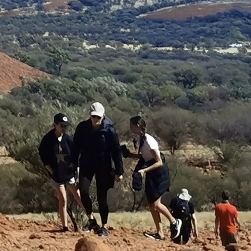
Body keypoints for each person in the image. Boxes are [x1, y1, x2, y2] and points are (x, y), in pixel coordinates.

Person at [69, 101, 124, 235]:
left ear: (103, 116)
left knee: (102, 197)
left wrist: (119, 171)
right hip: (86, 164)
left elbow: (116, 151)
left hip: (103, 165)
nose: (96, 120)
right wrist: (73, 166)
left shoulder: (109, 130)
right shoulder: (82, 127)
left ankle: (104, 226)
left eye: (98, 117)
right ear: (90, 116)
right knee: (83, 191)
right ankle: (91, 219)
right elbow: (76, 148)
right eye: (93, 117)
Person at [129, 115, 172, 239]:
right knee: (152, 204)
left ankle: (174, 222)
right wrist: (128, 154)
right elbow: (145, 157)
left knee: (156, 204)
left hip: (158, 172)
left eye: (131, 125)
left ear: (137, 126)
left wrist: (143, 171)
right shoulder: (139, 139)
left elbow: (159, 162)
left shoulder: (149, 141)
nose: (130, 127)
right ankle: (160, 233)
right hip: (151, 171)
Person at [38, 113, 77, 232]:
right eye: (61, 125)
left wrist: (74, 168)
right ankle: (65, 226)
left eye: (66, 126)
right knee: (63, 199)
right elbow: (43, 156)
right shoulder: (48, 139)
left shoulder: (68, 139)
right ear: (55, 125)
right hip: (57, 176)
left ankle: (91, 221)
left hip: (69, 174)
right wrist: (51, 171)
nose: (64, 128)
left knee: (79, 196)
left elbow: (75, 153)